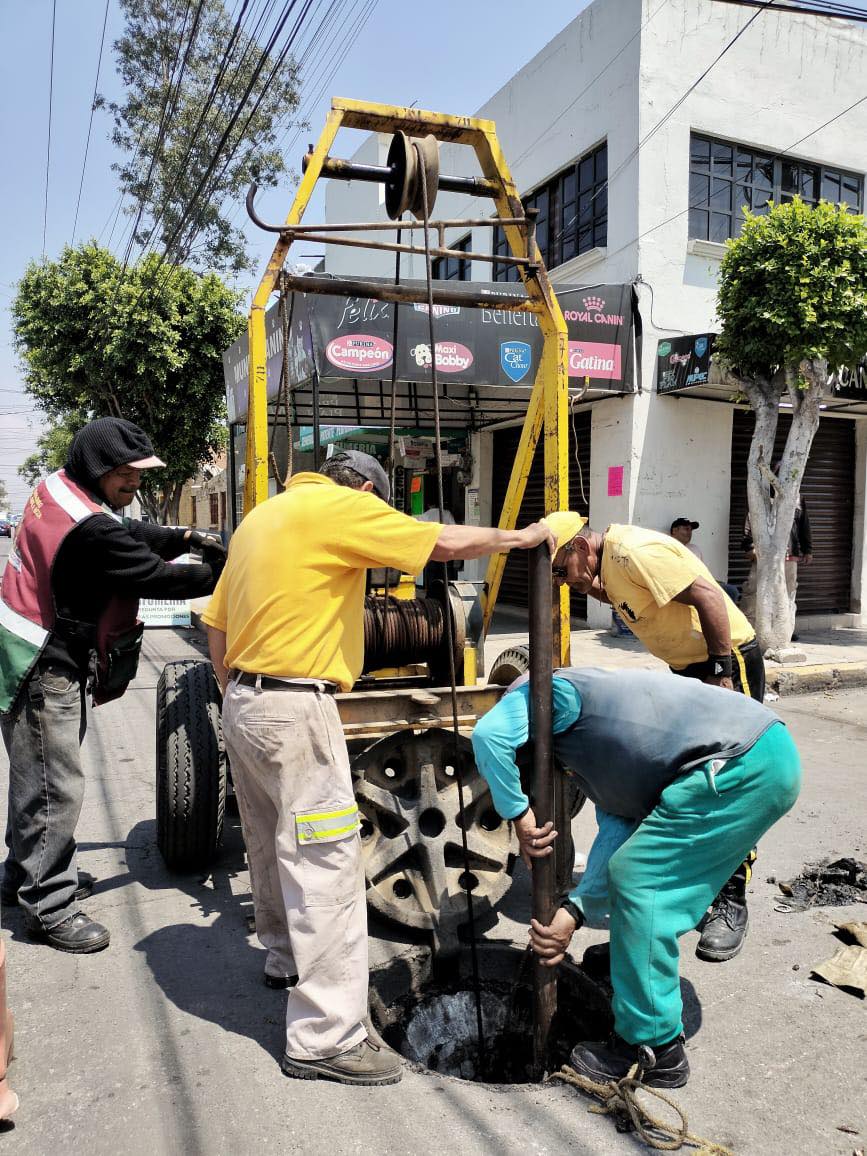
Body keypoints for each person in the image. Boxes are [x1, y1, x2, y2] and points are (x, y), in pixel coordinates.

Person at [203, 449, 553, 1087]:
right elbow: (441, 542)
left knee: (269, 845)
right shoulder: (340, 508)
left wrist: (240, 697)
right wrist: (523, 536)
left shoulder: (263, 518)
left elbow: (215, 628)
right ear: (364, 490)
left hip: (244, 704)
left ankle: (284, 962)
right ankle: (324, 1038)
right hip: (296, 706)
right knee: (326, 864)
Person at [471, 666, 801, 1088]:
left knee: (644, 885)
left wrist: (517, 814)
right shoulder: (608, 753)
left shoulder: (548, 694)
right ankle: (631, 962)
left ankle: (654, 1047)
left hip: (741, 764)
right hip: (760, 755)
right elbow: (618, 834)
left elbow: (489, 737)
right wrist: (572, 915)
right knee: (636, 866)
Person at [0, 418, 224, 953]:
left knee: (35, 781)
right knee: (56, 787)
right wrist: (220, 572)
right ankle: (49, 907)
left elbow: (127, 531)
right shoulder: (91, 529)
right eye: (127, 476)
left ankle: (22, 876)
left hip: (26, 644)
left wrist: (187, 535)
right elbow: (150, 572)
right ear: (100, 470)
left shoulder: (59, 487)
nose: (135, 486)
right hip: (44, 665)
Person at [544, 511, 764, 963]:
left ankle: (731, 901)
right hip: (687, 668)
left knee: (728, 782)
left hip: (722, 662)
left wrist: (721, 673)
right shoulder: (608, 569)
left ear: (581, 548)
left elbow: (708, 596)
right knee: (683, 782)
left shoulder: (633, 554)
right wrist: (591, 587)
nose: (564, 582)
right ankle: (686, 893)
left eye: (561, 571)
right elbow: (636, 601)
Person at [739, 469, 812, 642]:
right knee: (754, 593)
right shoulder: (762, 498)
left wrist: (808, 549)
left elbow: (803, 524)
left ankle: (785, 632)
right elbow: (751, 521)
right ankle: (747, 632)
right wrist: (750, 547)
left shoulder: (797, 498)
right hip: (764, 556)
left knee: (787, 595)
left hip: (789, 558)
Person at [670, 516, 740, 603]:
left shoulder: (695, 548)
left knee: (731, 590)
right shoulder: (669, 547)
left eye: (691, 530)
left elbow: (703, 571)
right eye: (686, 529)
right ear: (674, 531)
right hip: (683, 586)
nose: (689, 532)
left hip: (700, 583)